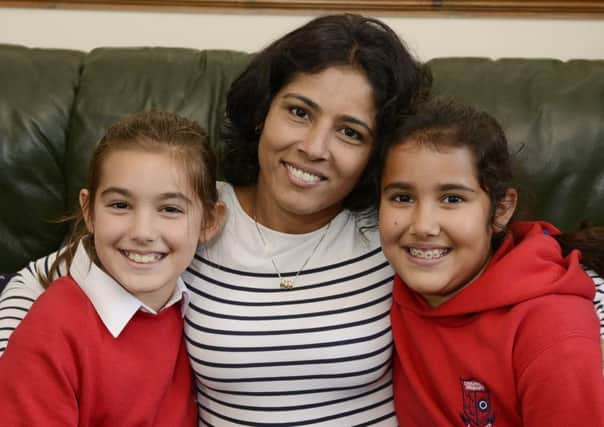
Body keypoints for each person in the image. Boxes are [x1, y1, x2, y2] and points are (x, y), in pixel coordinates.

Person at [0, 13, 602, 426]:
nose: (314, 147)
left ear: (376, 152)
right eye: (299, 111)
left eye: (349, 131)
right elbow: (35, 283)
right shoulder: (184, 212)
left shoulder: (398, 229)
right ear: (264, 111)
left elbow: (536, 281)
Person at [379, 99, 604, 426]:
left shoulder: (553, 330)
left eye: (452, 199)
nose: (423, 226)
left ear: (500, 210)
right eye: (402, 198)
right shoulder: (390, 281)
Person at [0, 111, 225, 426]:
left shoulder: (194, 312)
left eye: (170, 209)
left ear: (210, 222)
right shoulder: (51, 333)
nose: (142, 232)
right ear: (89, 212)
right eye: (120, 205)